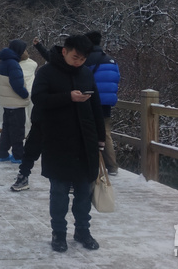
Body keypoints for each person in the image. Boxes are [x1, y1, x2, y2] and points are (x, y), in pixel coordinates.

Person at [31, 34, 105, 252]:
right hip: (58, 141)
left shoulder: (86, 73)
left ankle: (83, 230)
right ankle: (59, 233)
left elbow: (96, 106)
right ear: (64, 51)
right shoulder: (46, 72)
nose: (79, 62)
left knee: (84, 192)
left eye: (83, 59)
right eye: (75, 57)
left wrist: (100, 137)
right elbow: (38, 99)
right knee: (59, 192)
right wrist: (67, 97)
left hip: (85, 141)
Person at [0, 40, 37, 163]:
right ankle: (18, 155)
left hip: (6, 102)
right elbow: (17, 84)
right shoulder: (13, 64)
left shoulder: (3, 62)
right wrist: (25, 95)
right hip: (15, 103)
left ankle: (2, 154)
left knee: (7, 130)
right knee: (18, 130)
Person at [84, 31, 121, 176]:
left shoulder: (86, 59)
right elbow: (117, 78)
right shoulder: (111, 60)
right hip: (106, 103)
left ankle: (91, 166)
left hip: (90, 100)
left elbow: (82, 77)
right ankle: (112, 167)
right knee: (105, 134)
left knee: (86, 132)